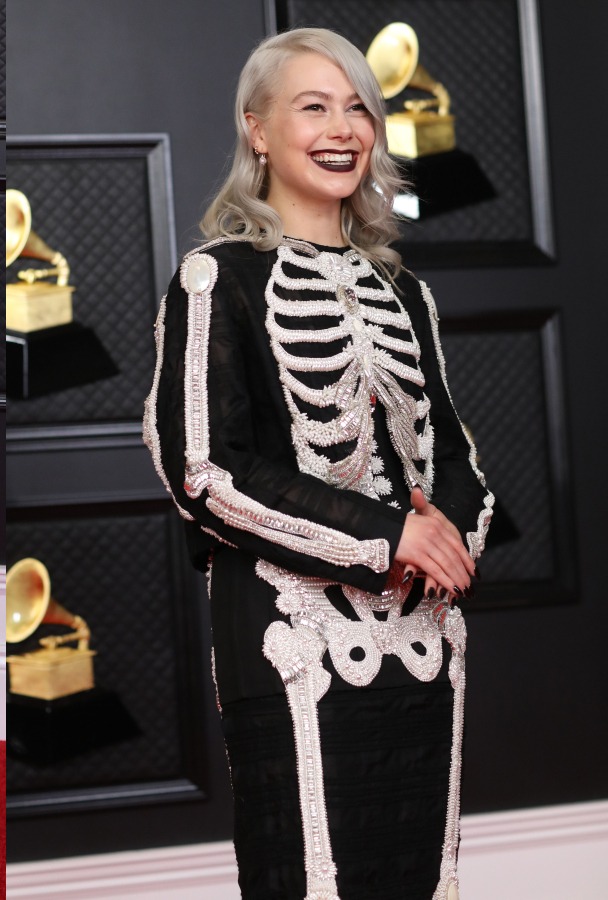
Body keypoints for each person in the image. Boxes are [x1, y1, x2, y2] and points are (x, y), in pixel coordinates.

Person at [143, 27, 494, 900]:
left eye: (358, 109)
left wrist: (449, 539)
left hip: (422, 638)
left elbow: (455, 456)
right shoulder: (214, 280)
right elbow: (205, 470)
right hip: (290, 635)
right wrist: (388, 537)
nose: (343, 128)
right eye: (314, 107)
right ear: (258, 131)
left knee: (420, 875)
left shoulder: (404, 290)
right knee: (311, 879)